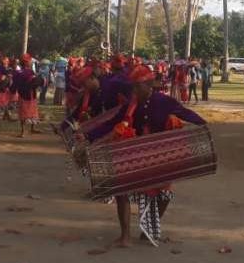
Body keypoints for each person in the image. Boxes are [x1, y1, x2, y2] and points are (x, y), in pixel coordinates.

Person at [78, 65, 206, 247]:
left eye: (138, 86)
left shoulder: (164, 101)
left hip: (159, 155)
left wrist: (202, 125)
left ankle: (150, 228)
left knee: (164, 195)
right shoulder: (130, 106)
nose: (134, 91)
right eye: (133, 87)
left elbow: (185, 113)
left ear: (148, 85)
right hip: (136, 155)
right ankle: (125, 237)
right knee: (121, 190)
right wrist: (88, 135)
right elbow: (112, 123)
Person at [11, 54, 41, 138]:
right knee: (28, 111)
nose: (31, 62)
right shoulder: (27, 72)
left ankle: (26, 131)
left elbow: (14, 85)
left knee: (26, 112)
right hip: (29, 94)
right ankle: (25, 130)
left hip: (26, 94)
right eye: (30, 61)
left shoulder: (20, 72)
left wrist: (13, 91)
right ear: (26, 62)